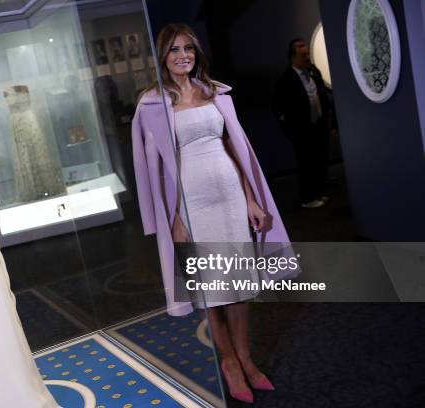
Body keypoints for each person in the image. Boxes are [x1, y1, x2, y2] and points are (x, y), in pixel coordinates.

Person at [132, 23, 292, 404]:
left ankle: (247, 358)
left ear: (196, 53)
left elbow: (237, 149)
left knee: (239, 287)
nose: (182, 56)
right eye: (174, 50)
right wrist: (173, 218)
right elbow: (151, 170)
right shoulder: (151, 103)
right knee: (213, 291)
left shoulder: (216, 92)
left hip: (231, 197)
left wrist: (253, 199)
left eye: (188, 48)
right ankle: (230, 363)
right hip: (191, 206)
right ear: (162, 56)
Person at [273, 38, 333, 208]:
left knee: (320, 160)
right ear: (293, 57)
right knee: (306, 163)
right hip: (302, 130)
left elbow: (321, 95)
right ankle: (307, 198)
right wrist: (292, 131)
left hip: (319, 125)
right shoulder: (286, 80)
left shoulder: (314, 72)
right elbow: (279, 109)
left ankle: (319, 192)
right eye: (303, 55)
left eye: (307, 54)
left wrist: (329, 122)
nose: (307, 58)